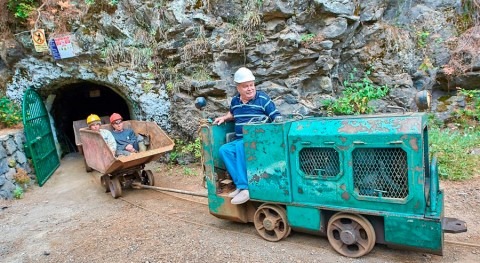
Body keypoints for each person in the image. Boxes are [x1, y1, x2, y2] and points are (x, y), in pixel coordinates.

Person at [213, 67, 280, 205]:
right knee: (224, 150)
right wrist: (224, 118)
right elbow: (233, 114)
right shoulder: (235, 101)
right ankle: (240, 184)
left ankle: (245, 188)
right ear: (238, 88)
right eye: (245, 86)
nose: (250, 89)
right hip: (240, 139)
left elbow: (276, 117)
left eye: (251, 85)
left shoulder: (262, 99)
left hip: (258, 140)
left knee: (239, 145)